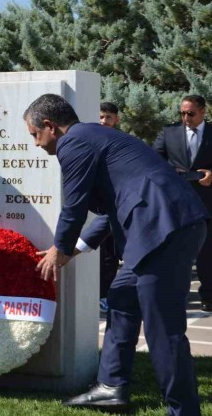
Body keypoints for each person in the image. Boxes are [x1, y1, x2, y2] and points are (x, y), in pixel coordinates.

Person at [24, 94, 209, 415]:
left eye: (35, 134)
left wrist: (60, 248)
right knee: (122, 297)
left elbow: (74, 205)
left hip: (163, 228)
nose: (36, 143)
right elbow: (114, 209)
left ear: (50, 126)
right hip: (161, 227)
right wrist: (75, 248)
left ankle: (184, 410)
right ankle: (111, 387)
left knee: (163, 329)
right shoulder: (95, 137)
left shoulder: (74, 142)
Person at [153, 95, 212, 312]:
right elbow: (154, 159)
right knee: (173, 247)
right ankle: (173, 293)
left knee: (206, 247)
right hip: (174, 198)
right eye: (182, 113)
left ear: (202, 112)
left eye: (190, 113)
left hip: (204, 198)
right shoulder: (169, 132)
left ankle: (208, 295)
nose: (185, 118)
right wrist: (169, 175)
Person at [96, 101, 122, 313]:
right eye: (101, 117)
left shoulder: (121, 141)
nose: (104, 121)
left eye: (109, 118)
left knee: (110, 255)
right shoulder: (89, 139)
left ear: (116, 120)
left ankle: (105, 294)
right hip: (94, 203)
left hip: (114, 204)